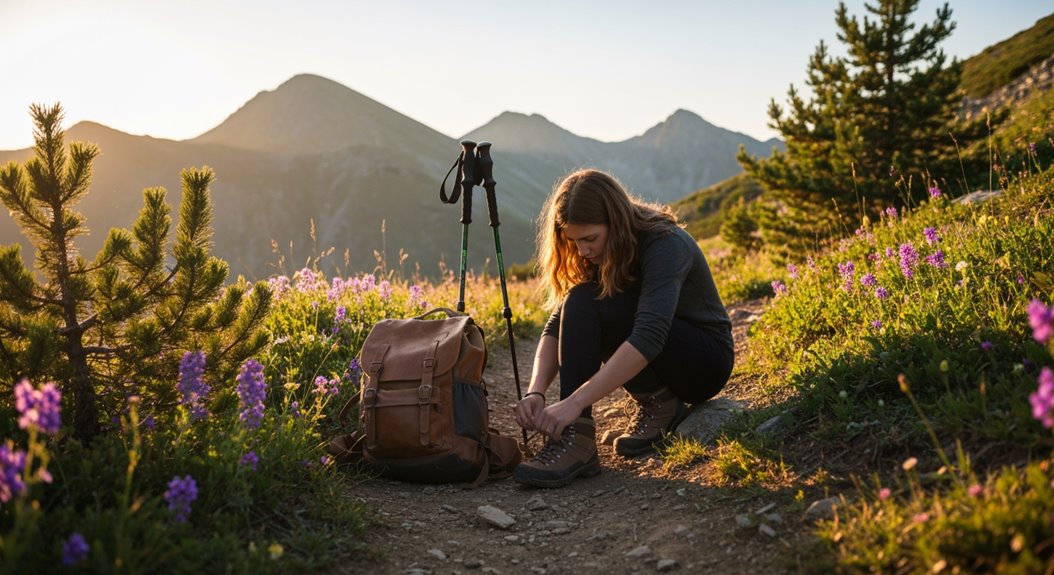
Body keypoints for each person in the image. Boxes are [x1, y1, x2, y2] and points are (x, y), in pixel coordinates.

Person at [512, 168, 734, 488]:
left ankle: (580, 431)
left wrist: (572, 404)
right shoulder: (602, 251)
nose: (583, 251)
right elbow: (560, 323)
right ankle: (617, 422)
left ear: (614, 223)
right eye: (574, 241)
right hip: (663, 353)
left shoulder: (665, 244)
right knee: (581, 298)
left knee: (605, 307)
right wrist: (536, 391)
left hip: (704, 362)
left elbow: (650, 335)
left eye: (590, 239)